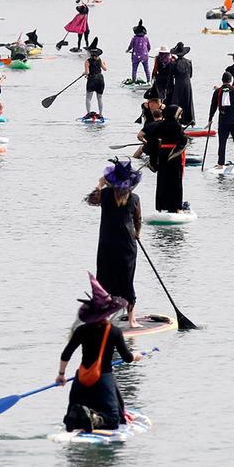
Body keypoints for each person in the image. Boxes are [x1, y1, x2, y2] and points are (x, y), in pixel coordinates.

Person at [56, 273, 140, 433]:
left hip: (81, 378)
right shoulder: (114, 332)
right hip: (103, 378)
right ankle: (94, 418)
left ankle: (76, 414)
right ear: (108, 312)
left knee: (72, 415)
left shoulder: (81, 330)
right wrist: (137, 355)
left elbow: (66, 353)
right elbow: (127, 358)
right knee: (114, 421)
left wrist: (61, 375)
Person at [87, 158, 142, 328]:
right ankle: (132, 321)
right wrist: (137, 234)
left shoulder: (105, 195)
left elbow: (91, 200)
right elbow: (138, 219)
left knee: (104, 279)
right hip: (127, 246)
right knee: (127, 281)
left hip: (107, 245)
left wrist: (99, 184)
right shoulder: (134, 198)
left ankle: (101, 316)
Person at [140, 104, 189, 213]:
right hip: (174, 156)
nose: (180, 117)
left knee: (162, 181)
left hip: (162, 154)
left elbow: (151, 139)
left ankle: (161, 206)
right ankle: (176, 207)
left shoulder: (160, 125)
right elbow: (183, 141)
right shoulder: (177, 126)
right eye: (179, 114)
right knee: (176, 182)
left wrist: (154, 155)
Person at [208, 72, 234, 165]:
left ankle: (221, 162)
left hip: (223, 121)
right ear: (231, 80)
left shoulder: (218, 92)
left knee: (222, 142)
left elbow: (213, 106)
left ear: (222, 80)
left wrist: (210, 118)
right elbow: (232, 88)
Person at [168, 42, 195, 127]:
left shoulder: (174, 64)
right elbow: (190, 75)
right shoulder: (189, 62)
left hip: (178, 84)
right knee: (188, 101)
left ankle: (176, 120)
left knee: (176, 102)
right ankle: (190, 120)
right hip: (187, 84)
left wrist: (169, 88)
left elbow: (171, 77)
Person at [82, 37, 106, 121]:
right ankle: (101, 114)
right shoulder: (99, 59)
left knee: (88, 97)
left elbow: (87, 73)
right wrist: (104, 64)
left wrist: (84, 73)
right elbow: (105, 69)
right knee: (99, 97)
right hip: (100, 79)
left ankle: (88, 113)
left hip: (92, 79)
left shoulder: (87, 61)